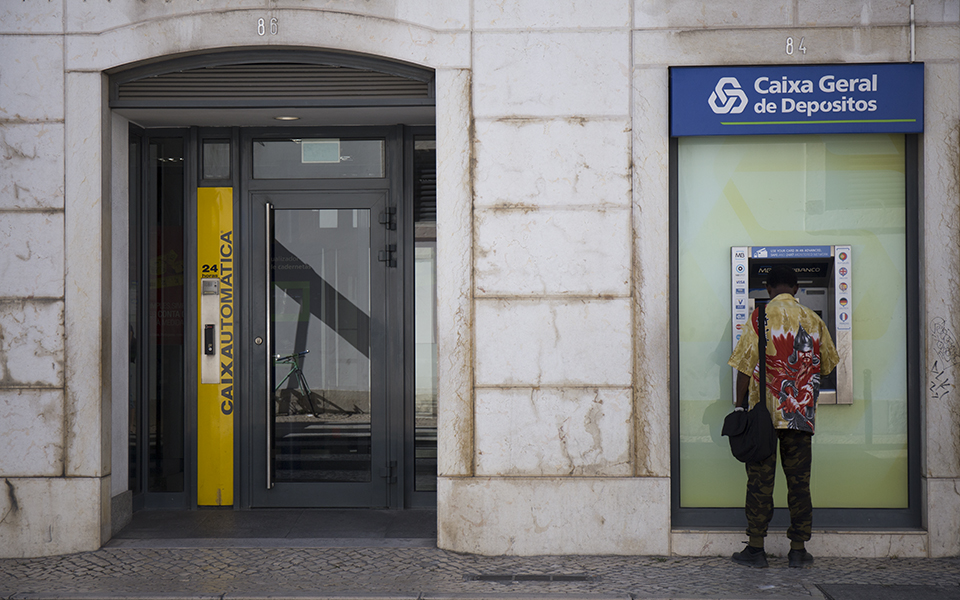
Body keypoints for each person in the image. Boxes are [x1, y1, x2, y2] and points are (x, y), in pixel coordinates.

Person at [727, 265, 839, 568]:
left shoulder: (758, 317)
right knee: (799, 483)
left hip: (763, 417)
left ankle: (756, 549)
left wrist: (740, 407)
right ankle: (798, 550)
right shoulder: (814, 319)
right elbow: (827, 365)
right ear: (797, 289)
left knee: (760, 482)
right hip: (800, 417)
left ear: (767, 288)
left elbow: (743, 366)